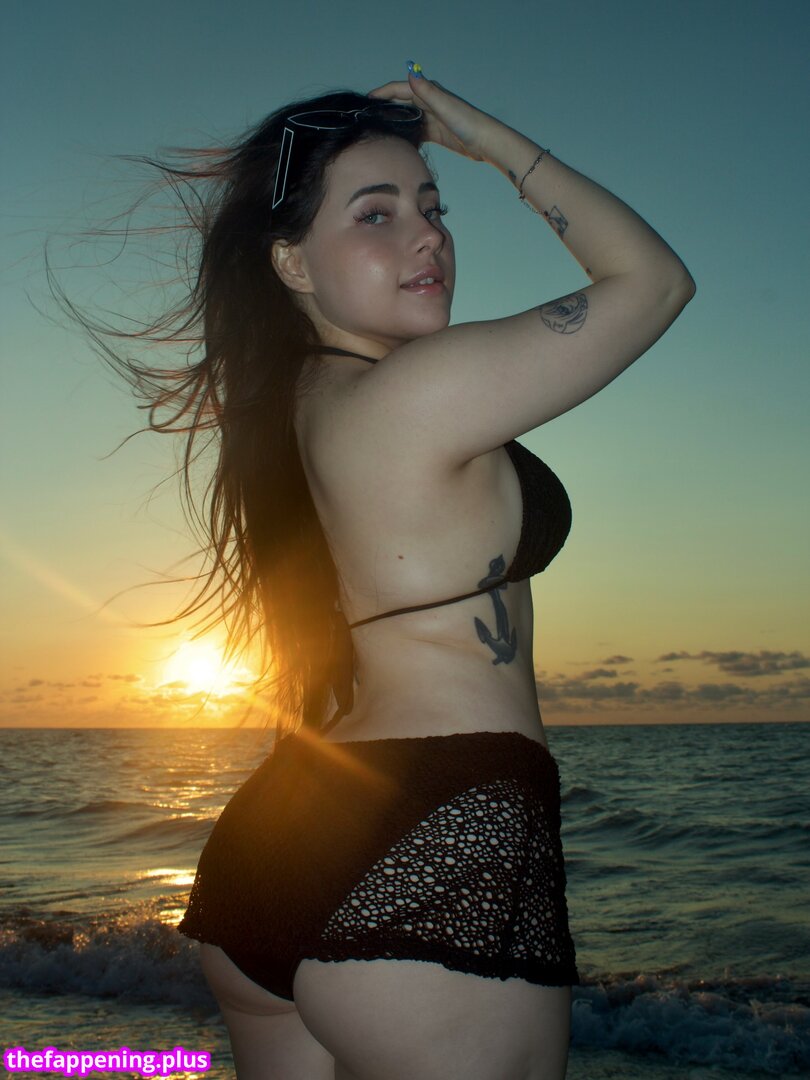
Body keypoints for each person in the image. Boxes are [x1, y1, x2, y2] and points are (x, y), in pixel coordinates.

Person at [95, 61, 694, 1079]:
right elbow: (653, 282)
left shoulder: (297, 405)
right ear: (292, 264)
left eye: (433, 205)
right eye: (376, 214)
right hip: (439, 823)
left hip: (280, 841)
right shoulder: (418, 389)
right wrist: (490, 143)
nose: (428, 236)